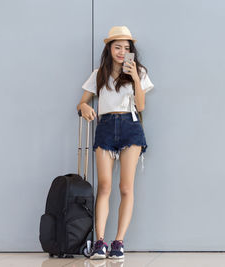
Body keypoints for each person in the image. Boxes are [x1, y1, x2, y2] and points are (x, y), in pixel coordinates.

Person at [77, 26, 154, 260]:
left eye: (126, 48)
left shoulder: (138, 71)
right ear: (109, 48)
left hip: (130, 127)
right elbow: (81, 103)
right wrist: (85, 107)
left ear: (131, 50)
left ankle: (118, 243)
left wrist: (134, 78)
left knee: (126, 188)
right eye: (117, 47)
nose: (122, 52)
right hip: (106, 127)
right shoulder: (99, 73)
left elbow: (141, 106)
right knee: (104, 186)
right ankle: (100, 242)